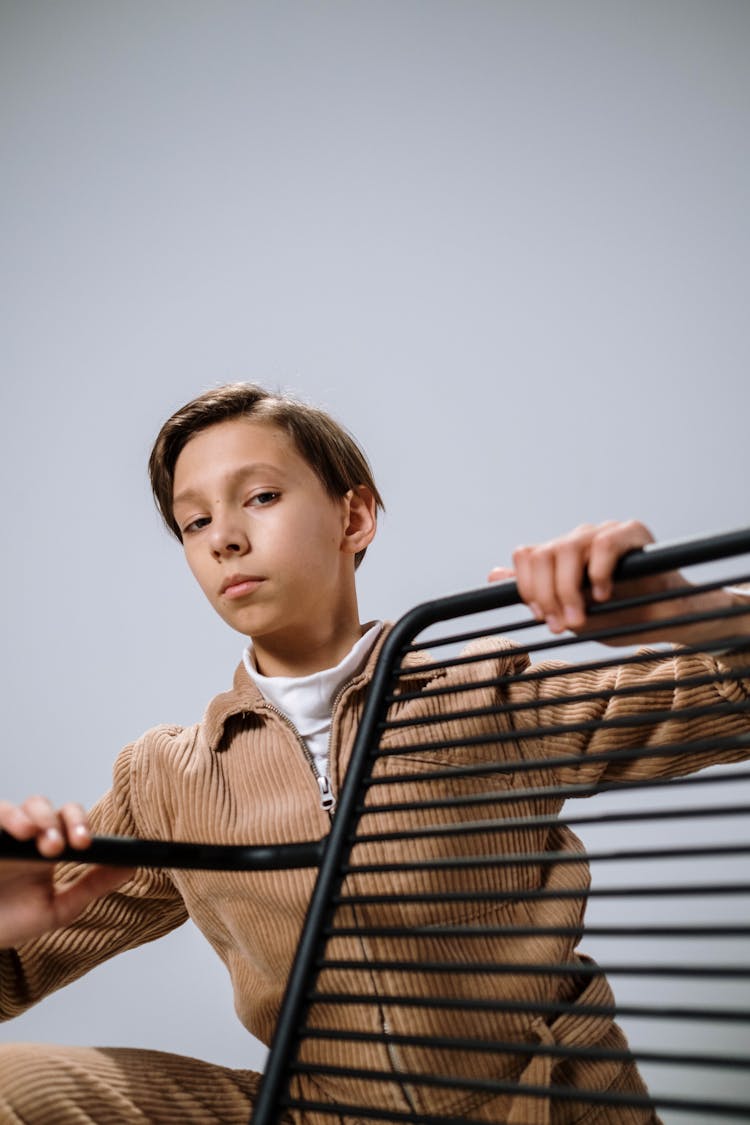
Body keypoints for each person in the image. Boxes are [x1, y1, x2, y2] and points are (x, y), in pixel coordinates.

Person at [0, 383, 748, 1124]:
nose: (223, 536)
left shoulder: (482, 691)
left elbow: (733, 699)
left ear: (352, 517)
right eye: (194, 521)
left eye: (259, 497)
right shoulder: (167, 778)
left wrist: (688, 611)